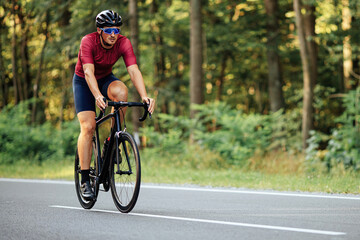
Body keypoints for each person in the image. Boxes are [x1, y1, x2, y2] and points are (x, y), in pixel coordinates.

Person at [72, 10, 155, 200]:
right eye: (109, 30)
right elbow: (88, 72)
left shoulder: (123, 42)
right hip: (84, 82)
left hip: (105, 79)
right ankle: (85, 179)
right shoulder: (88, 41)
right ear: (100, 30)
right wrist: (97, 95)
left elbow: (133, 70)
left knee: (121, 93)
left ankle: (113, 140)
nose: (113, 34)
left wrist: (144, 96)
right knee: (89, 126)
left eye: (116, 30)